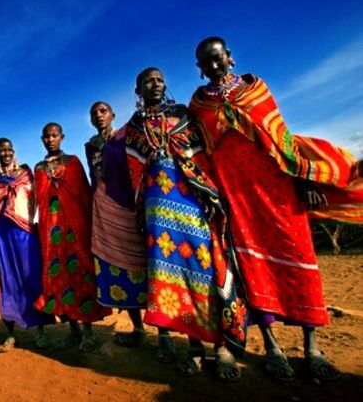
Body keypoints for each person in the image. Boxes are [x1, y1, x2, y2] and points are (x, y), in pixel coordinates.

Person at [188, 36, 362, 382]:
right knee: (252, 270)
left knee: (298, 260)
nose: (213, 66)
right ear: (199, 68)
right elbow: (203, 155)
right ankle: (272, 348)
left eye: (218, 59)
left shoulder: (256, 92)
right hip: (236, 197)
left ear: (230, 58)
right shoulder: (198, 106)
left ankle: (312, 347)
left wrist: (305, 181)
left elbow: (280, 139)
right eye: (206, 63)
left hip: (276, 190)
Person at [126, 67, 244, 380]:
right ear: (138, 89)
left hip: (191, 200)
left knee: (206, 269)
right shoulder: (136, 126)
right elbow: (133, 170)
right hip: (157, 210)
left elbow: (201, 155)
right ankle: (193, 346)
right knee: (172, 276)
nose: (156, 84)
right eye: (148, 80)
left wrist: (207, 192)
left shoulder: (182, 114)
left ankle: (221, 345)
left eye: (160, 79)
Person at [34, 123, 109, 352]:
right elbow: (39, 201)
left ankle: (87, 333)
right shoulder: (39, 168)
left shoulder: (73, 162)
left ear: (62, 137)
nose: (50, 139)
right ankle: (74, 331)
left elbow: (84, 195)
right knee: (59, 280)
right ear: (42, 139)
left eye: (54, 135)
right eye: (46, 136)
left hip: (76, 230)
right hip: (52, 235)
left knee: (82, 275)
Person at [85, 102, 149, 349]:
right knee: (121, 271)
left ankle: (165, 334)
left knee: (145, 266)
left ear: (113, 115)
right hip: (105, 212)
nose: (98, 116)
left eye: (102, 111)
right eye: (94, 113)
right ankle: (139, 328)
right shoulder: (91, 146)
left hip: (129, 208)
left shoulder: (125, 136)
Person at [0, 138, 54, 353]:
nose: (6, 153)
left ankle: (41, 332)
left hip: (25, 233)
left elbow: (35, 199)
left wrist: (27, 221)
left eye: (9, 149)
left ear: (13, 151)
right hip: (3, 236)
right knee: (8, 283)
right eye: (1, 150)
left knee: (32, 279)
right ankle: (10, 335)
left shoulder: (27, 174)